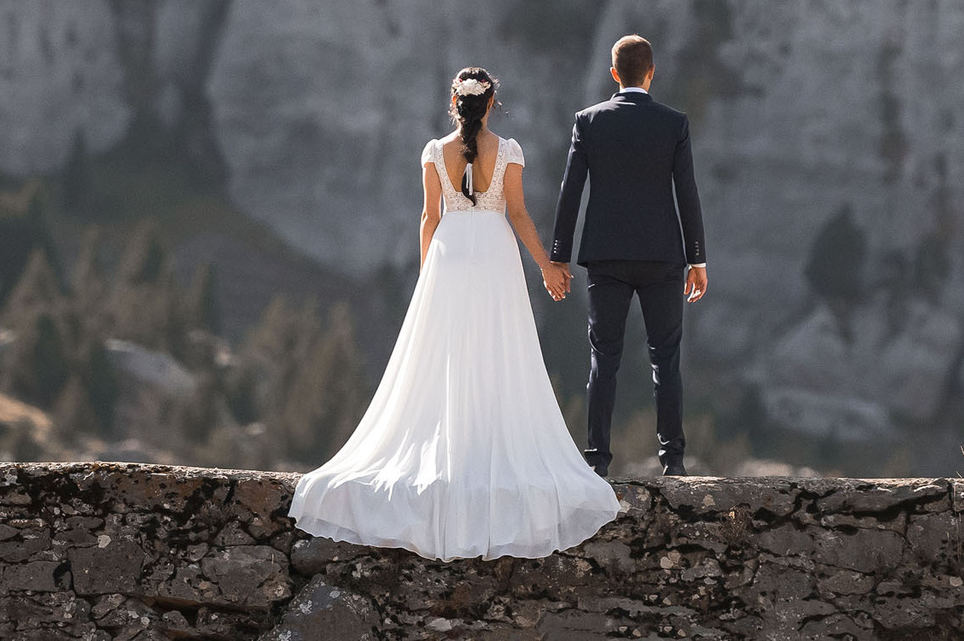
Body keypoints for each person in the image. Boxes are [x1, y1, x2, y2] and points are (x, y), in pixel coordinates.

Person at [289, 68, 619, 560]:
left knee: (444, 355)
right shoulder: (508, 150)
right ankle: (486, 453)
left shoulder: (433, 151)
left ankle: (454, 453)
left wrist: (428, 275)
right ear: (491, 102)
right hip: (494, 252)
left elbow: (429, 216)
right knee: (497, 350)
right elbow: (517, 213)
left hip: (449, 252)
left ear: (454, 102)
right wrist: (547, 266)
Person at [548, 34, 708, 477]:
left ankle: (597, 460)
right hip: (663, 257)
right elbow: (687, 193)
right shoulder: (674, 124)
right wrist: (697, 259)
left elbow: (570, 191)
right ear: (651, 73)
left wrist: (559, 255)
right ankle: (673, 460)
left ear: (614, 74)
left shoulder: (589, 121)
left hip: (607, 256)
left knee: (604, 359)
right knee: (666, 358)